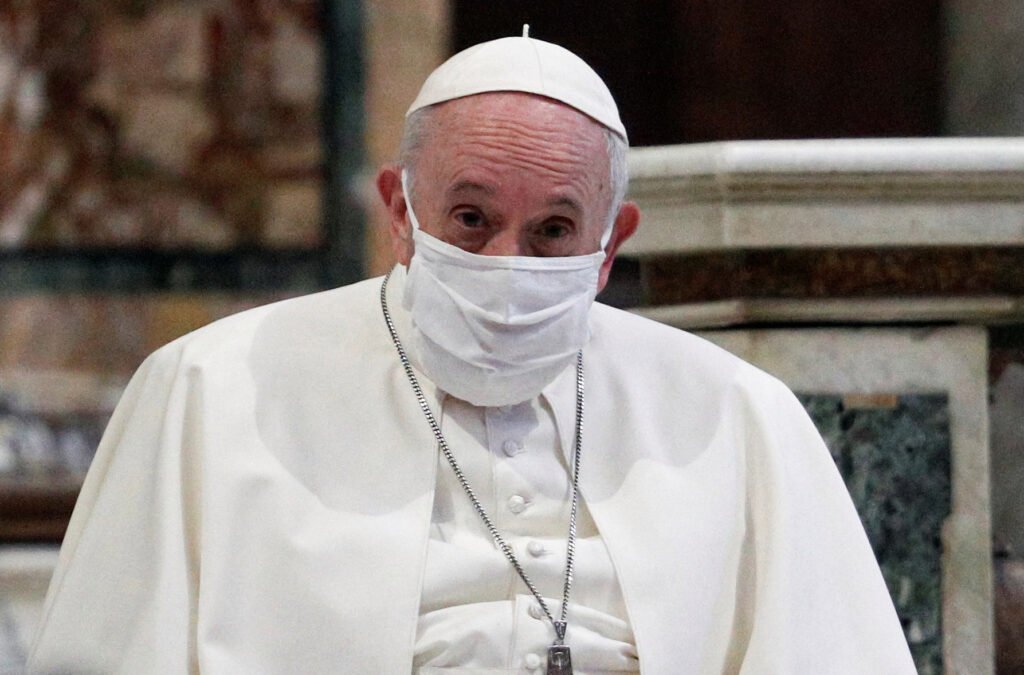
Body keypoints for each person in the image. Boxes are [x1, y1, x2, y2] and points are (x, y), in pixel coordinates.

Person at [28, 31, 915, 674]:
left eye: (554, 229)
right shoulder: (206, 389)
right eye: (471, 218)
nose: (507, 263)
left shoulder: (735, 413)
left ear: (610, 244)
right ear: (400, 211)